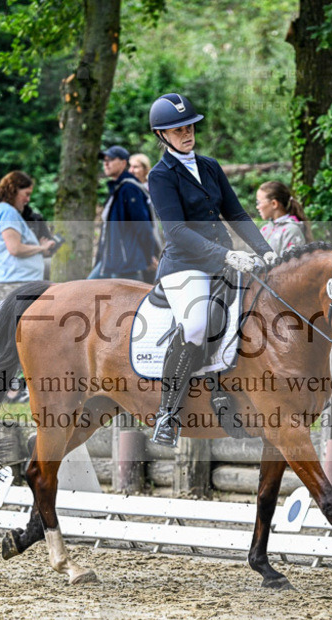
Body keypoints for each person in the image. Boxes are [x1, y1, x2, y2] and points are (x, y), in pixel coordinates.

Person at [146, 92, 278, 446]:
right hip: (184, 265)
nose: (186, 133)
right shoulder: (160, 176)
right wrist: (226, 255)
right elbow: (176, 231)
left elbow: (236, 213)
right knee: (196, 325)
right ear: (162, 135)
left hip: (224, 259)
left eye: (189, 126)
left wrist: (266, 251)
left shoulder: (209, 166)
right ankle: (167, 415)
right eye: (178, 130)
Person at [0, 171, 56, 402]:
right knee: (17, 338)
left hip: (18, 283)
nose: (27, 199)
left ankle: (17, 387)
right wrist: (41, 249)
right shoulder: (7, 212)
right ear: (13, 190)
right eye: (25, 194)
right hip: (14, 284)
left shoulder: (8, 212)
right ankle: (11, 389)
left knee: (22, 336)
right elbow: (14, 248)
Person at [90, 145, 159, 281]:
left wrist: (149, 256)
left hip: (126, 264)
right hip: (109, 261)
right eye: (104, 160)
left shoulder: (129, 189)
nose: (106, 163)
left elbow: (143, 226)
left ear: (123, 163)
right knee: (86, 289)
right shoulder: (118, 188)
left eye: (110, 159)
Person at [255, 180, 314, 256]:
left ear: (274, 204)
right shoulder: (265, 229)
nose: (257, 207)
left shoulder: (292, 231)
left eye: (259, 202)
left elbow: (293, 262)